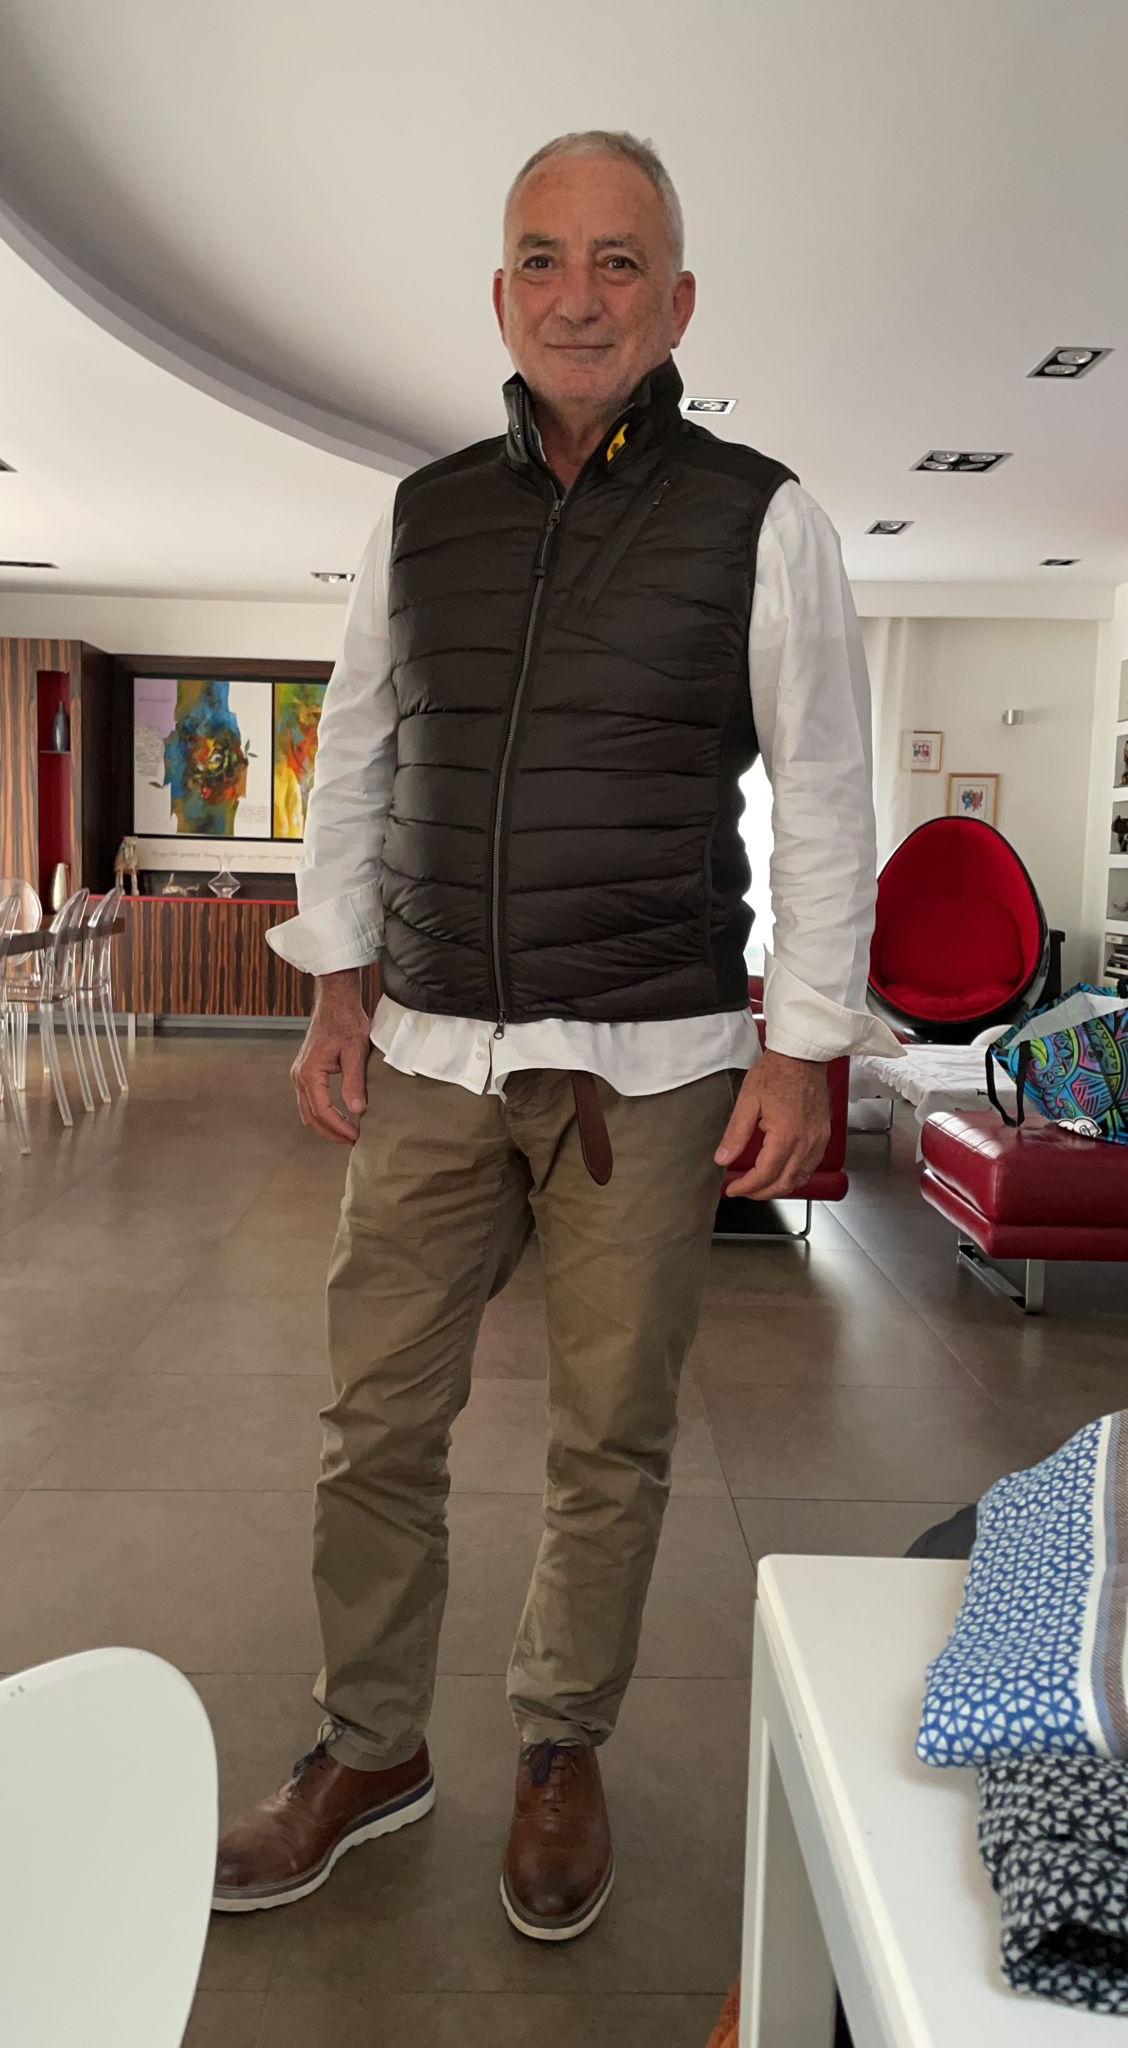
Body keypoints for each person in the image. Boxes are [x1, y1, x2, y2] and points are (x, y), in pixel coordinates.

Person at [213, 127, 900, 1939]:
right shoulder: (418, 514)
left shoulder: (763, 516)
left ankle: (557, 1747)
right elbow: (359, 752)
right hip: (432, 1051)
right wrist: (337, 982)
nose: (578, 296)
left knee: (609, 1438)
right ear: (501, 293)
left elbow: (825, 790)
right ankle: (370, 1749)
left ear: (678, 300)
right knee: (374, 1423)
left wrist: (801, 1044)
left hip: (651, 1070)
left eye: (617, 262)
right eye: (543, 258)